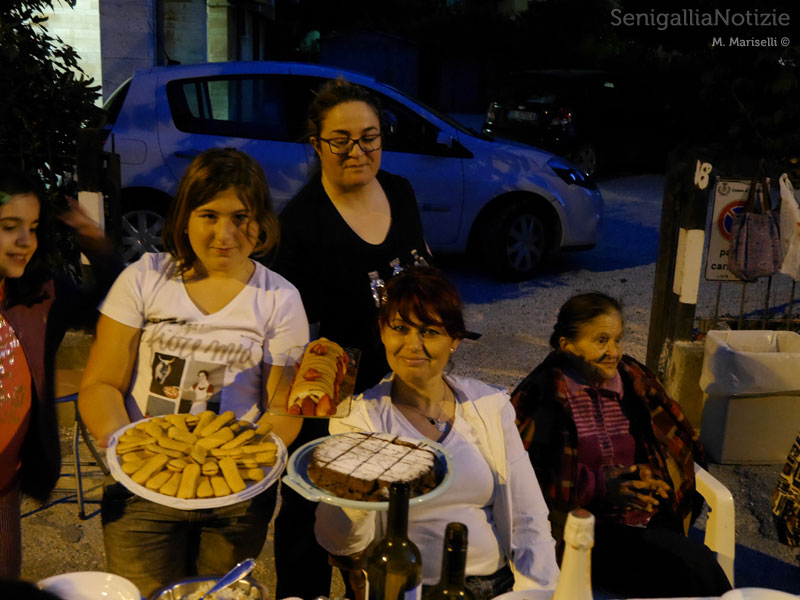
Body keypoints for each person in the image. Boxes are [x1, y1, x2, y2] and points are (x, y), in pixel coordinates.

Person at [78, 148, 309, 597]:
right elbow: (101, 383)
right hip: (140, 494)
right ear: (184, 217)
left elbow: (283, 408)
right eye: (209, 215)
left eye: (241, 216)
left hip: (236, 502)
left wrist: (233, 470)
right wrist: (132, 453)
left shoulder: (280, 299)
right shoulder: (143, 279)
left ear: (261, 221)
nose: (225, 234)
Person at [271, 78, 431, 599]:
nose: (356, 151)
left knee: (393, 511)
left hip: (402, 391)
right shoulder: (300, 226)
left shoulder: (403, 193)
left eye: (369, 136)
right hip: (333, 405)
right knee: (313, 514)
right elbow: (290, 340)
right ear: (316, 143)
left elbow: (421, 275)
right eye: (340, 139)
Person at [314, 267, 559, 600]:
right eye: (400, 328)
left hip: (501, 586)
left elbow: (528, 516)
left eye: (429, 331)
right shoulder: (359, 419)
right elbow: (340, 543)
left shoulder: (488, 406)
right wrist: (351, 493)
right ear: (382, 332)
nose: (413, 345)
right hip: (414, 591)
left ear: (454, 339)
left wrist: (538, 591)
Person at [510, 292, 732, 598]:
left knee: (694, 571)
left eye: (617, 339)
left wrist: (655, 480)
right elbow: (529, 480)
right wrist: (602, 486)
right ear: (567, 345)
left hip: (648, 518)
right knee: (695, 571)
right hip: (582, 528)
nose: (613, 352)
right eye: (601, 341)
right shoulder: (543, 396)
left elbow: (667, 444)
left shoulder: (634, 381)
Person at [0, 167, 120, 578]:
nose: (24, 242)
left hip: (5, 486)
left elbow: (104, 304)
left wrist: (97, 245)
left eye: (32, 228)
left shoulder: (40, 294)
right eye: (8, 227)